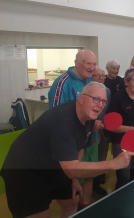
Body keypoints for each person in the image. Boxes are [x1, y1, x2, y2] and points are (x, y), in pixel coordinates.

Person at [0, 82, 134, 218]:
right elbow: (71, 168)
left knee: (72, 199)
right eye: (96, 99)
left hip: (54, 164)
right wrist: (113, 163)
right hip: (25, 171)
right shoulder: (63, 122)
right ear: (81, 99)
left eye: (103, 101)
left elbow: (80, 147)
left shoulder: (88, 117)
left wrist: (74, 178)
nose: (100, 105)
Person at [48, 49, 99, 209]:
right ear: (77, 63)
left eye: (94, 64)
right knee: (74, 181)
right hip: (72, 144)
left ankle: (85, 209)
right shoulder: (62, 83)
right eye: (88, 63)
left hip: (91, 139)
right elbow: (56, 117)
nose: (91, 68)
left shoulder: (91, 81)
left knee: (89, 175)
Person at [90, 67, 111, 198]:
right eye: (97, 76)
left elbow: (105, 109)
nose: (101, 78)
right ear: (91, 77)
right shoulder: (88, 91)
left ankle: (96, 184)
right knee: (90, 157)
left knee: (101, 156)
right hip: (90, 128)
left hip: (102, 127)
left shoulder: (107, 91)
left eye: (103, 76)